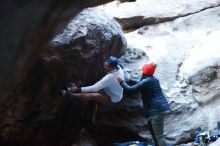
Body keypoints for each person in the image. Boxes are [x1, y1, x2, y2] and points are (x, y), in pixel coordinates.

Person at [117, 62, 170, 146]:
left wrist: (121, 82)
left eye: (142, 70)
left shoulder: (147, 81)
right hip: (157, 109)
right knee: (154, 133)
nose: (141, 71)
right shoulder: (152, 79)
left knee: (159, 136)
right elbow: (140, 84)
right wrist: (130, 80)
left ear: (145, 72)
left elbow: (131, 89)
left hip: (157, 110)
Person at [61, 56, 124, 122]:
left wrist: (78, 89)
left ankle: (68, 94)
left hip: (113, 98)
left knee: (93, 95)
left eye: (107, 66)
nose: (104, 66)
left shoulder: (110, 77)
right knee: (95, 98)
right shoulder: (118, 68)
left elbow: (94, 88)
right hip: (112, 91)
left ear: (112, 67)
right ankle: (92, 117)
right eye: (105, 63)